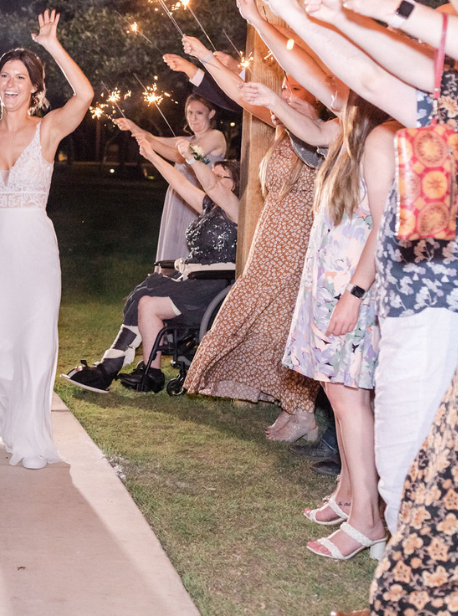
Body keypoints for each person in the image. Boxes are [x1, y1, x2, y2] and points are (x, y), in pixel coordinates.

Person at [263, 0, 458, 532]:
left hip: (448, 307)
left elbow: (374, 71)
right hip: (409, 300)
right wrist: (310, 16)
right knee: (405, 464)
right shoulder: (439, 113)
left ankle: (415, 555)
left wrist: (385, 5)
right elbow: (367, 72)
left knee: (417, 465)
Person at [254, 83, 397, 561]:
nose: (330, 86)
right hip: (330, 283)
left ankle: (368, 519)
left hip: (352, 287)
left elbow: (384, 226)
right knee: (339, 395)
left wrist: (355, 294)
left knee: (349, 398)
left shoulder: (380, 139)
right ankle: (349, 494)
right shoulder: (347, 133)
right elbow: (311, 124)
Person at [0, 10, 92, 470]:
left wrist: (52, 45)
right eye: (5, 75)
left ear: (35, 87)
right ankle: (0, 416)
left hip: (34, 245)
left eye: (21, 77)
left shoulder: (48, 128)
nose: (11, 83)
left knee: (33, 343)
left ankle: (30, 438)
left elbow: (85, 95)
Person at [180, 35, 323, 442]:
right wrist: (206, 59)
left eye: (297, 89)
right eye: (285, 87)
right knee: (261, 319)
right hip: (269, 241)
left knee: (283, 324)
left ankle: (303, 413)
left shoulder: (318, 133)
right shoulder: (282, 127)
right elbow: (241, 94)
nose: (286, 95)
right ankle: (292, 407)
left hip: (296, 243)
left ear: (317, 95)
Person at [63, 145, 240, 394]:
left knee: (148, 302)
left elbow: (210, 185)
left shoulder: (236, 209)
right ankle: (142, 370)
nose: (214, 178)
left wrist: (191, 158)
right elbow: (179, 182)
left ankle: (128, 369)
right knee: (144, 297)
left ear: (235, 184)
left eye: (223, 176)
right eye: (213, 173)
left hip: (210, 287)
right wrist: (151, 155)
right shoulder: (209, 206)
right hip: (192, 281)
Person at [115, 93, 226, 263]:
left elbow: (181, 157)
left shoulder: (215, 136)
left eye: (199, 113)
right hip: (177, 200)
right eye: (190, 113)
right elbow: (151, 137)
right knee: (173, 246)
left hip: (198, 201)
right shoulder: (185, 140)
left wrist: (152, 145)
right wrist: (132, 126)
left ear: (211, 114)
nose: (193, 118)